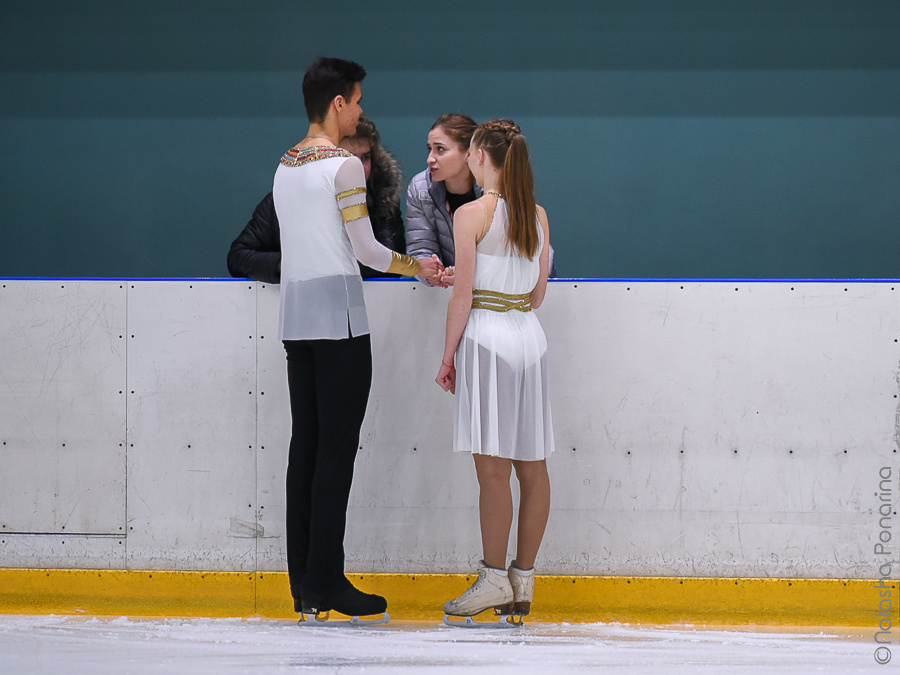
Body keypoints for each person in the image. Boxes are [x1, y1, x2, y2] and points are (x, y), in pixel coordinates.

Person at [273, 57, 442, 620]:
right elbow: (367, 251)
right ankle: (328, 584)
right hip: (340, 323)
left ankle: (306, 587)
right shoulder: (342, 165)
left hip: (297, 321)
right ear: (339, 103)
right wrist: (416, 267)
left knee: (307, 449)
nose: (363, 110)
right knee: (335, 455)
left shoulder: (285, 164)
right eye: (360, 100)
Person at [435, 119, 554, 621]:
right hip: (529, 337)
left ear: (480, 156)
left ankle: (491, 580)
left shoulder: (472, 214)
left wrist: (448, 356)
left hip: (487, 336)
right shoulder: (539, 215)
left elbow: (463, 293)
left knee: (492, 470)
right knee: (532, 466)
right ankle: (522, 581)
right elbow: (538, 294)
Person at [226, 116, 406, 282]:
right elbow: (239, 257)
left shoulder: (382, 200)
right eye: (347, 156)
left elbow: (391, 264)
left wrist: (312, 266)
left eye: (365, 158)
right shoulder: (284, 199)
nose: (358, 167)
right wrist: (289, 265)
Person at [405, 113, 482, 286]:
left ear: (468, 154)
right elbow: (419, 248)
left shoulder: (496, 187)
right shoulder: (420, 188)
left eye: (440, 149)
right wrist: (430, 273)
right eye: (430, 149)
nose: (430, 159)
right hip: (446, 292)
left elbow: (512, 255)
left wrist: (467, 275)